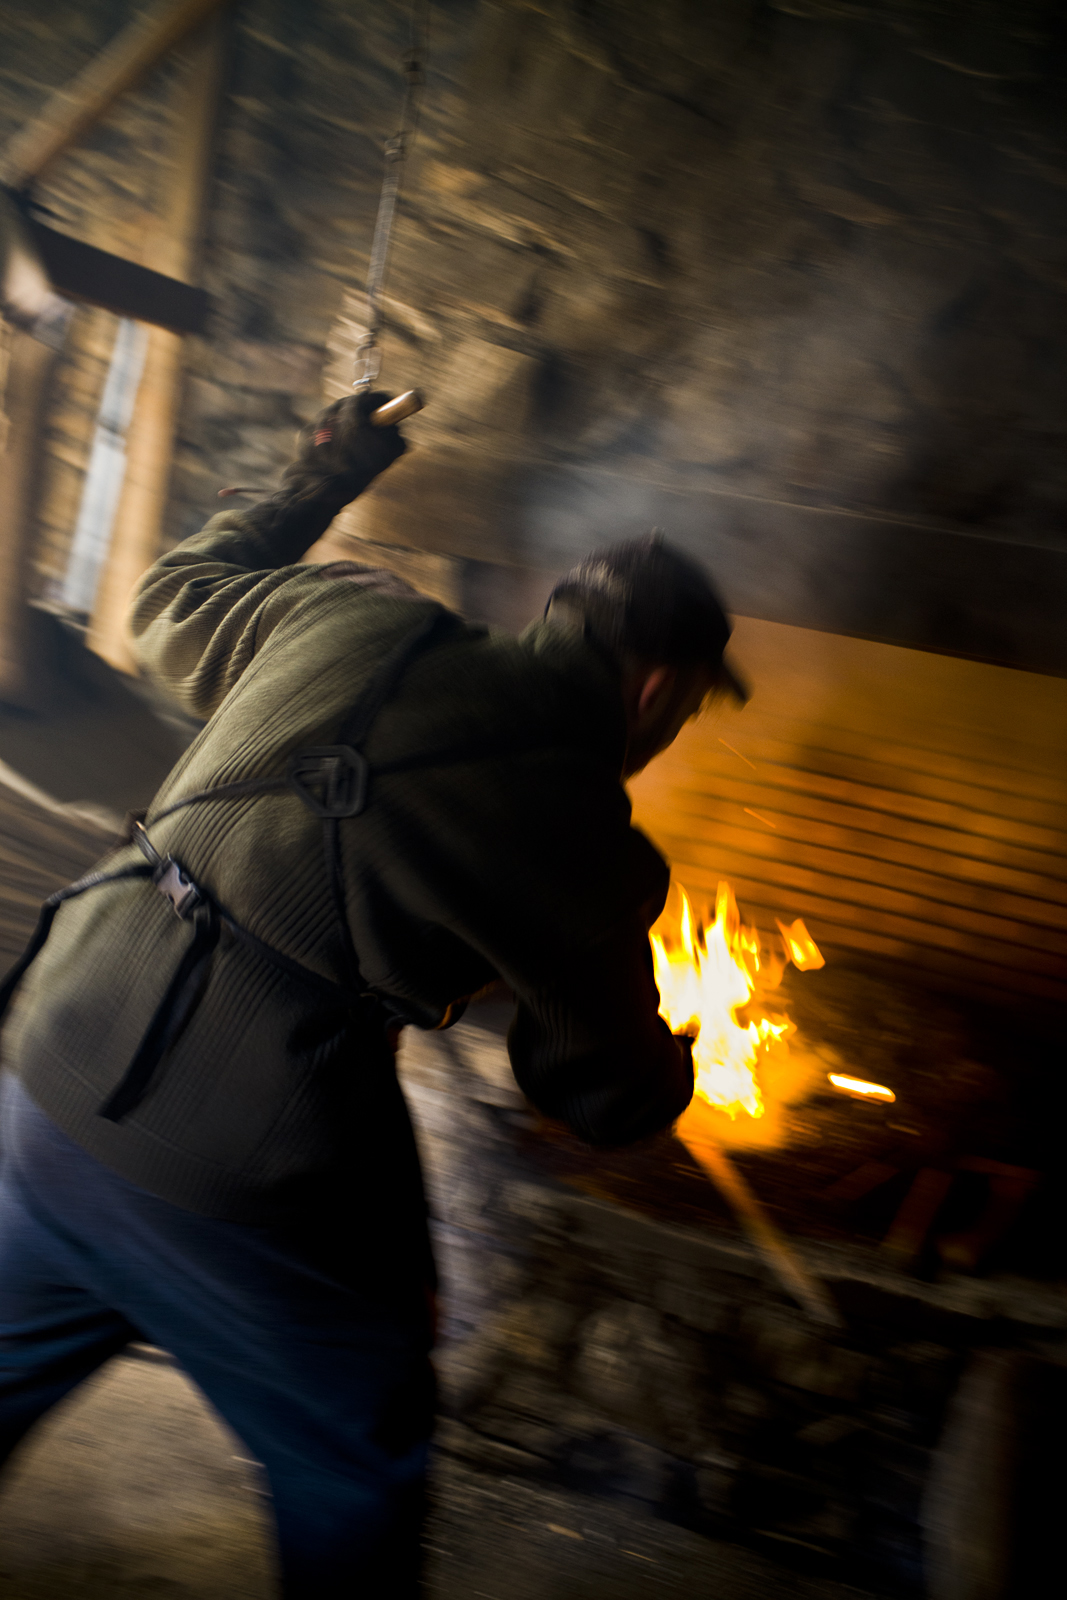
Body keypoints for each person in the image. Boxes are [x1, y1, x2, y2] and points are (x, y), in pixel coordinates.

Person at [0, 392, 744, 1596]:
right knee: (359, 1453)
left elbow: (165, 604)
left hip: (52, 1051)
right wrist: (672, 1057)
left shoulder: (349, 613)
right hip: (228, 1165)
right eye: (691, 710)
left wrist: (327, 468)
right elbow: (602, 1095)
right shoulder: (585, 841)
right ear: (657, 690)